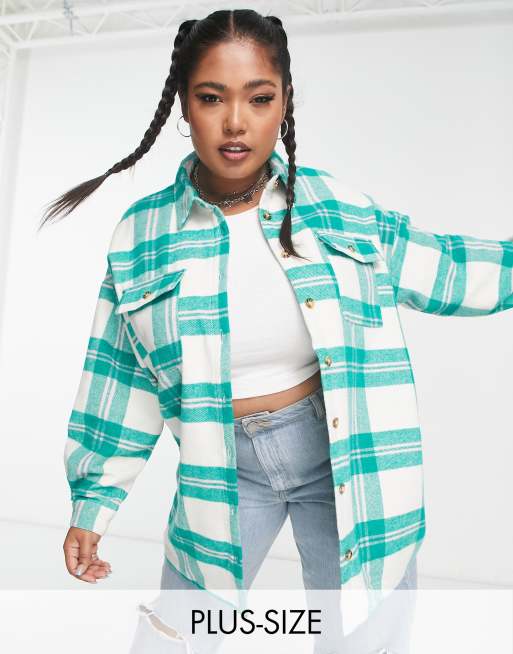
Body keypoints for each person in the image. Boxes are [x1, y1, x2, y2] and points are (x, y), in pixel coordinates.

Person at [40, 8, 512, 654]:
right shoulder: (141, 234)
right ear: (184, 106)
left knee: (362, 640)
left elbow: (446, 266)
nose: (236, 122)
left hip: (344, 458)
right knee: (176, 639)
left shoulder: (334, 207)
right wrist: (92, 504)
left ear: (284, 101)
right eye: (212, 98)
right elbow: (119, 378)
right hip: (223, 471)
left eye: (259, 98)